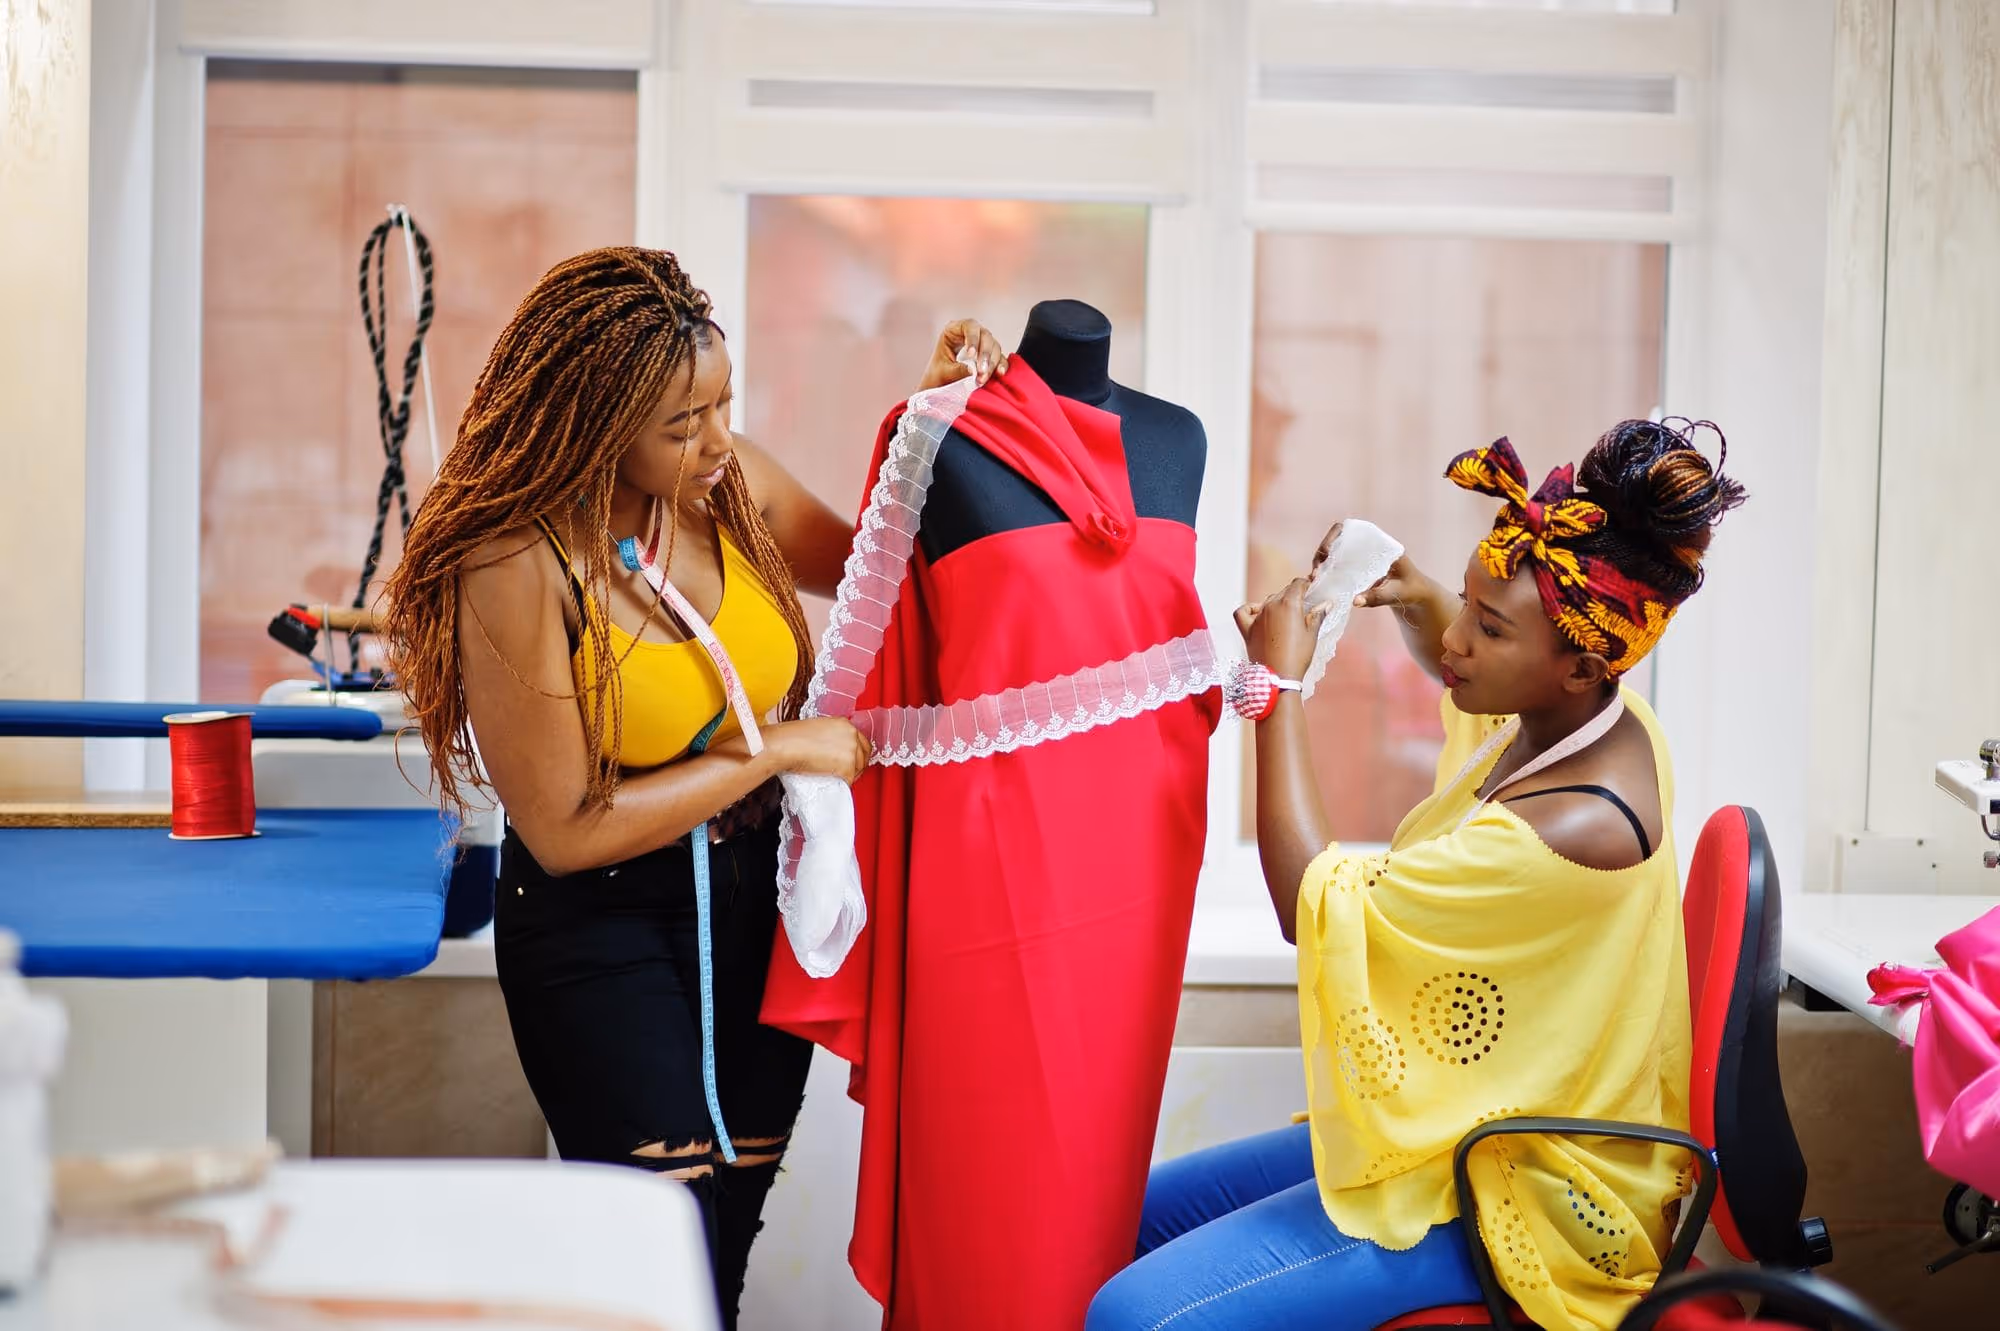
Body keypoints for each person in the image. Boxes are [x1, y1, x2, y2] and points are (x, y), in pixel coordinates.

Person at [384, 246, 1006, 1327]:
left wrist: (931, 417)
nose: (717, 442)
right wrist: (765, 752)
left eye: (723, 406)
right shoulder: (514, 562)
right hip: (598, 923)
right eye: (681, 425)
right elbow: (569, 830)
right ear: (590, 421)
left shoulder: (729, 487)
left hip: (753, 904)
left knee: (722, 1243)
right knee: (653, 1260)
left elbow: (878, 561)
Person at [1087, 420, 1747, 1331]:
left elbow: (1308, 899)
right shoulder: (1608, 719)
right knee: (1119, 1222)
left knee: (1132, 1316)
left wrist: (1275, 693)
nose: (1459, 644)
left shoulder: (1563, 830)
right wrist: (1413, 591)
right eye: (1470, 608)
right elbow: (1490, 672)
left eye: (1488, 625)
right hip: (1472, 1135)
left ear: (1580, 666)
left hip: (1524, 1192)